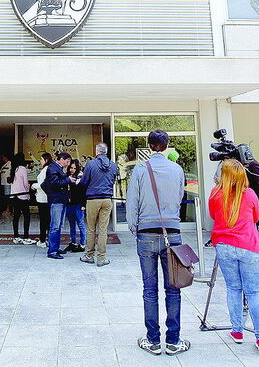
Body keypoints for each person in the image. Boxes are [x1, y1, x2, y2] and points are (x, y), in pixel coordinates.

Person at [126, 129, 191, 356]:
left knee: (149, 289)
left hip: (146, 232)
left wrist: (135, 228)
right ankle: (174, 340)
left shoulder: (140, 169)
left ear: (148, 145)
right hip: (172, 233)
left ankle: (153, 340)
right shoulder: (177, 169)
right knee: (174, 287)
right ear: (167, 145)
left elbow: (131, 201)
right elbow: (180, 198)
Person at [209, 159, 259, 353]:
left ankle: (237, 331)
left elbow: (213, 215)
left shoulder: (216, 194)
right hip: (249, 246)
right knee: (253, 292)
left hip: (225, 246)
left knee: (233, 289)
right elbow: (256, 218)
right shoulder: (250, 194)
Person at [80, 142, 118, 266]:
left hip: (93, 199)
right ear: (106, 151)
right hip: (107, 199)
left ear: (97, 151)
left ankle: (89, 255)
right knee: (103, 230)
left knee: (91, 229)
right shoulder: (113, 165)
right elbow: (113, 180)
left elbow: (84, 182)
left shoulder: (90, 164)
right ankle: (101, 258)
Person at [41, 151, 71, 259]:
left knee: (58, 226)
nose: (68, 164)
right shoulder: (52, 168)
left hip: (60, 200)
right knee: (55, 226)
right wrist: (68, 180)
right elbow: (54, 184)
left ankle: (56, 247)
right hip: (56, 201)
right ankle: (52, 251)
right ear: (61, 159)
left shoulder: (56, 168)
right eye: (67, 161)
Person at [10, 152, 35, 244]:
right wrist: (30, 189)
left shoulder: (14, 169)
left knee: (16, 217)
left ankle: (16, 236)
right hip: (22, 196)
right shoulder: (23, 169)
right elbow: (25, 183)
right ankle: (26, 237)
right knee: (26, 216)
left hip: (14, 195)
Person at [63, 158, 86, 253]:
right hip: (69, 204)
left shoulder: (80, 178)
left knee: (81, 224)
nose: (72, 170)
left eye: (74, 168)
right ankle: (73, 243)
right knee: (72, 225)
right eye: (71, 168)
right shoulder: (67, 177)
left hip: (78, 204)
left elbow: (84, 192)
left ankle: (83, 244)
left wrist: (83, 204)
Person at [32, 152, 52, 247]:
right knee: (45, 220)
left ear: (46, 160)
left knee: (44, 220)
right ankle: (45, 238)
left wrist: (34, 185)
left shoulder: (46, 170)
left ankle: (43, 240)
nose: (40, 161)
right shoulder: (45, 169)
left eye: (41, 159)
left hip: (43, 198)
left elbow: (43, 184)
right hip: (42, 198)